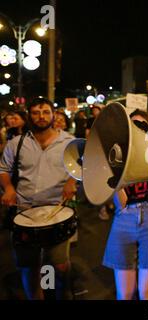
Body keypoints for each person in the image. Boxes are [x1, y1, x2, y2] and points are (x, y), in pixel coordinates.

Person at [0, 97, 77, 300]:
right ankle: (38, 297)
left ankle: (61, 292)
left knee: (58, 264)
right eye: (36, 112)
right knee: (29, 265)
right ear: (29, 116)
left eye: (45, 112)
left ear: (53, 114)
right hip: (24, 212)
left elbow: (81, 167)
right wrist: (8, 188)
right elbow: (4, 169)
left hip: (57, 213)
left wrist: (72, 181)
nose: (41, 117)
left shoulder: (69, 142)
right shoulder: (17, 143)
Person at [102, 109, 148, 300]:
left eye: (142, 126)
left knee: (146, 292)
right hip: (125, 216)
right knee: (125, 293)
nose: (137, 130)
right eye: (132, 126)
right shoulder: (119, 155)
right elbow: (121, 203)